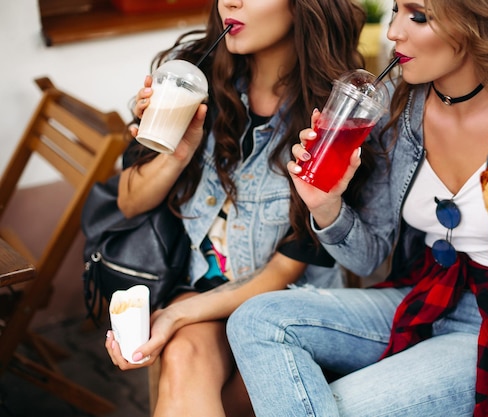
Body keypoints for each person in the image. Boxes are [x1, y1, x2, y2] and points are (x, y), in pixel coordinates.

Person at [226, 0, 488, 416]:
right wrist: (327, 206)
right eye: (395, 10)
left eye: (417, 15)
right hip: (421, 298)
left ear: (477, 20)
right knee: (254, 320)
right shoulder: (402, 108)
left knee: (344, 407)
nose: (393, 31)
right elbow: (369, 257)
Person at [103, 0, 368, 416]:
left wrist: (176, 315)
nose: (231, 1)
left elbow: (285, 271)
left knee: (244, 382)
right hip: (197, 290)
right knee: (185, 355)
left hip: (283, 306)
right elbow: (129, 201)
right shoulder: (192, 74)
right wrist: (176, 152)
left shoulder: (335, 115)